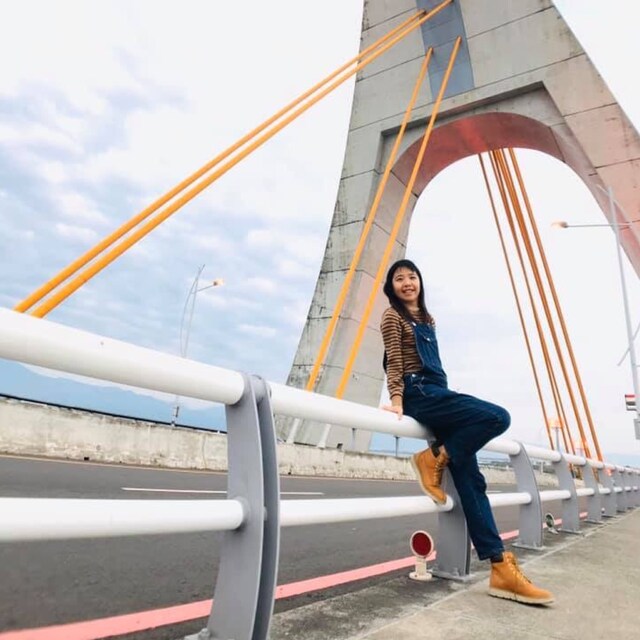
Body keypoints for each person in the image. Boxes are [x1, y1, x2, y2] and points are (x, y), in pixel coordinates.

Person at [380, 258, 553, 605]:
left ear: (420, 282)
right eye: (399, 278)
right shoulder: (392, 316)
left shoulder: (427, 319)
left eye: (412, 276)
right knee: (497, 417)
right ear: (391, 287)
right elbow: (394, 360)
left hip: (437, 392)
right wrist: (397, 399)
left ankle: (500, 568)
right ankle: (433, 458)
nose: (407, 282)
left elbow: (436, 367)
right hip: (418, 392)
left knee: (472, 482)